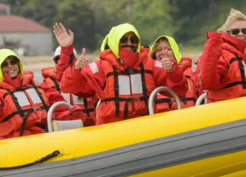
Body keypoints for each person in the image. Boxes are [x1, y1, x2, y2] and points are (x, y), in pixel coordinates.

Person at [58, 23, 187, 124]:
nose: (129, 43)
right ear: (115, 41)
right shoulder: (100, 68)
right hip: (111, 129)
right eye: (124, 39)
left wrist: (173, 71)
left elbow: (179, 90)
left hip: (144, 126)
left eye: (133, 39)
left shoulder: (151, 65)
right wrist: (75, 68)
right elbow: (68, 87)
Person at [0, 49, 72, 139]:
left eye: (13, 62)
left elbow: (60, 108)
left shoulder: (38, 86)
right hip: (16, 141)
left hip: (44, 135)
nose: (10, 66)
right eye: (4, 64)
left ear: (18, 64)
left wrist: (75, 113)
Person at [199, 8, 246, 103]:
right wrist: (212, 48)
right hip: (228, 107)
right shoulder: (223, 54)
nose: (241, 34)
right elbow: (209, 83)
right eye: (235, 31)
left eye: (245, 31)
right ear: (228, 33)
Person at [42, 27, 93, 125]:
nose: (60, 61)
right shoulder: (47, 85)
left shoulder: (85, 79)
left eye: (65, 58)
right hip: (62, 127)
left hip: (87, 124)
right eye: (57, 59)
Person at [149, 35, 199, 109]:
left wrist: (172, 70)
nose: (163, 52)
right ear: (154, 54)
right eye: (159, 50)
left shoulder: (189, 73)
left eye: (168, 49)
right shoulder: (148, 74)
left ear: (175, 53)